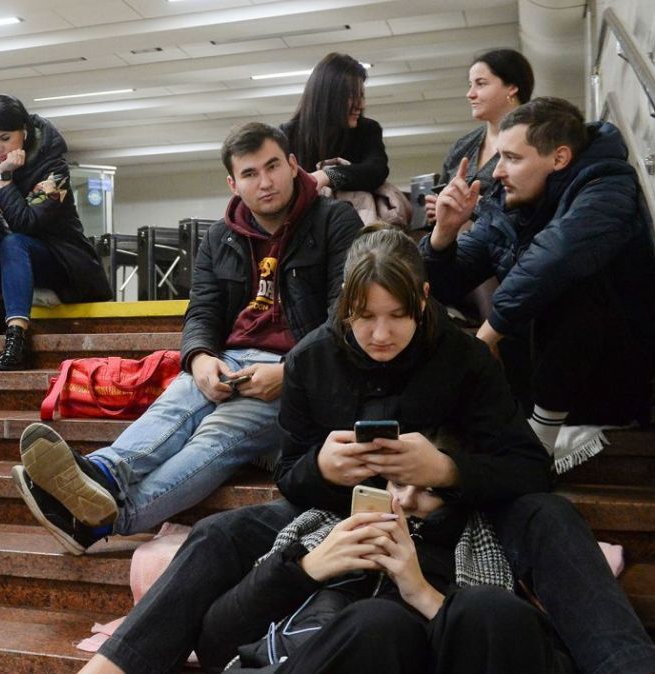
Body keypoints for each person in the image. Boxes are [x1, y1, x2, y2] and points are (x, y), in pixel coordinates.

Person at [78, 226, 556, 674]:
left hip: (435, 518)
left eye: (397, 316)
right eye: (366, 317)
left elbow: (529, 468)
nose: (381, 334)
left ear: (423, 301)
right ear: (345, 307)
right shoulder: (310, 357)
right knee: (215, 535)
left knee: (382, 622)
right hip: (329, 509)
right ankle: (114, 665)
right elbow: (290, 476)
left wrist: (446, 471)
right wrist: (323, 468)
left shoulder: (466, 358)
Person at [13, 122, 362, 556]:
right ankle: (102, 472)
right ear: (233, 183)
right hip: (229, 359)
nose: (266, 181)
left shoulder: (334, 221)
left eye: (273, 166)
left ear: (294, 166)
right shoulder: (221, 236)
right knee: (178, 404)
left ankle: (107, 518)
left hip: (299, 372)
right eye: (251, 173)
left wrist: (290, 373)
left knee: (216, 435)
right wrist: (198, 359)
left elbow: (343, 316)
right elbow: (202, 312)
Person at [423, 97, 655, 460]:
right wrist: (444, 235)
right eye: (499, 156)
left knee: (564, 278)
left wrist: (487, 334)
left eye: (513, 158)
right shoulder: (508, 204)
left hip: (610, 383)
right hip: (535, 383)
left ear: (559, 158)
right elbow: (447, 285)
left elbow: (557, 255)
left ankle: (540, 439)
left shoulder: (608, 185)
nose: (498, 171)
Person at [197, 483, 571, 674]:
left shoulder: (481, 554)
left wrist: (421, 592)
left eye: (429, 490)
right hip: (298, 662)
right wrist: (307, 568)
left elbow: (536, 654)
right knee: (376, 624)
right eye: (396, 484)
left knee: (487, 608)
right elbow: (216, 645)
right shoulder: (319, 532)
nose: (405, 501)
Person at [0, 93, 110, 370]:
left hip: (58, 259)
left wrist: (5, 177)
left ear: (23, 132)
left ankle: (16, 336)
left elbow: (27, 223)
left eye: (5, 138)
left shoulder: (54, 167)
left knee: (15, 242)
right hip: (10, 256)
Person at [424, 49, 535, 225]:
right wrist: (439, 209)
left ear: (512, 88)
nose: (470, 94)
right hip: (459, 248)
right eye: (470, 85)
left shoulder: (537, 140)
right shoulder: (462, 147)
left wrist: (473, 206)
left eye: (481, 84)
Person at [281, 52, 388, 194]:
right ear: (328, 96)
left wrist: (328, 175)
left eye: (361, 95)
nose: (361, 105)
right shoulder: (288, 135)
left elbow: (377, 170)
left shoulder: (367, 130)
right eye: (351, 96)